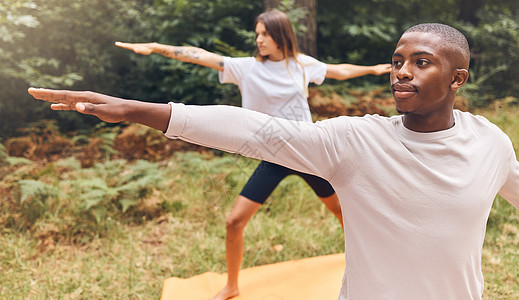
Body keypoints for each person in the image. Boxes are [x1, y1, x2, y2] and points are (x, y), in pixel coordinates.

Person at [28, 23, 519, 300]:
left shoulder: (491, 143)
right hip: (301, 155)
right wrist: (138, 110)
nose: (401, 74)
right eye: (396, 62)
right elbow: (250, 131)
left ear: (459, 79)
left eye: (421, 63)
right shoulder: (355, 140)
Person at [114, 9, 389, 300]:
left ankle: (368, 268)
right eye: (257, 34)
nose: (258, 40)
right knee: (234, 221)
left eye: (264, 34)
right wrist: (157, 48)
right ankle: (232, 285)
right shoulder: (246, 68)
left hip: (308, 152)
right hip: (273, 155)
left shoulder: (301, 65)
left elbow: (339, 70)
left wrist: (372, 69)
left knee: (344, 213)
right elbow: (200, 55)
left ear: (280, 36)